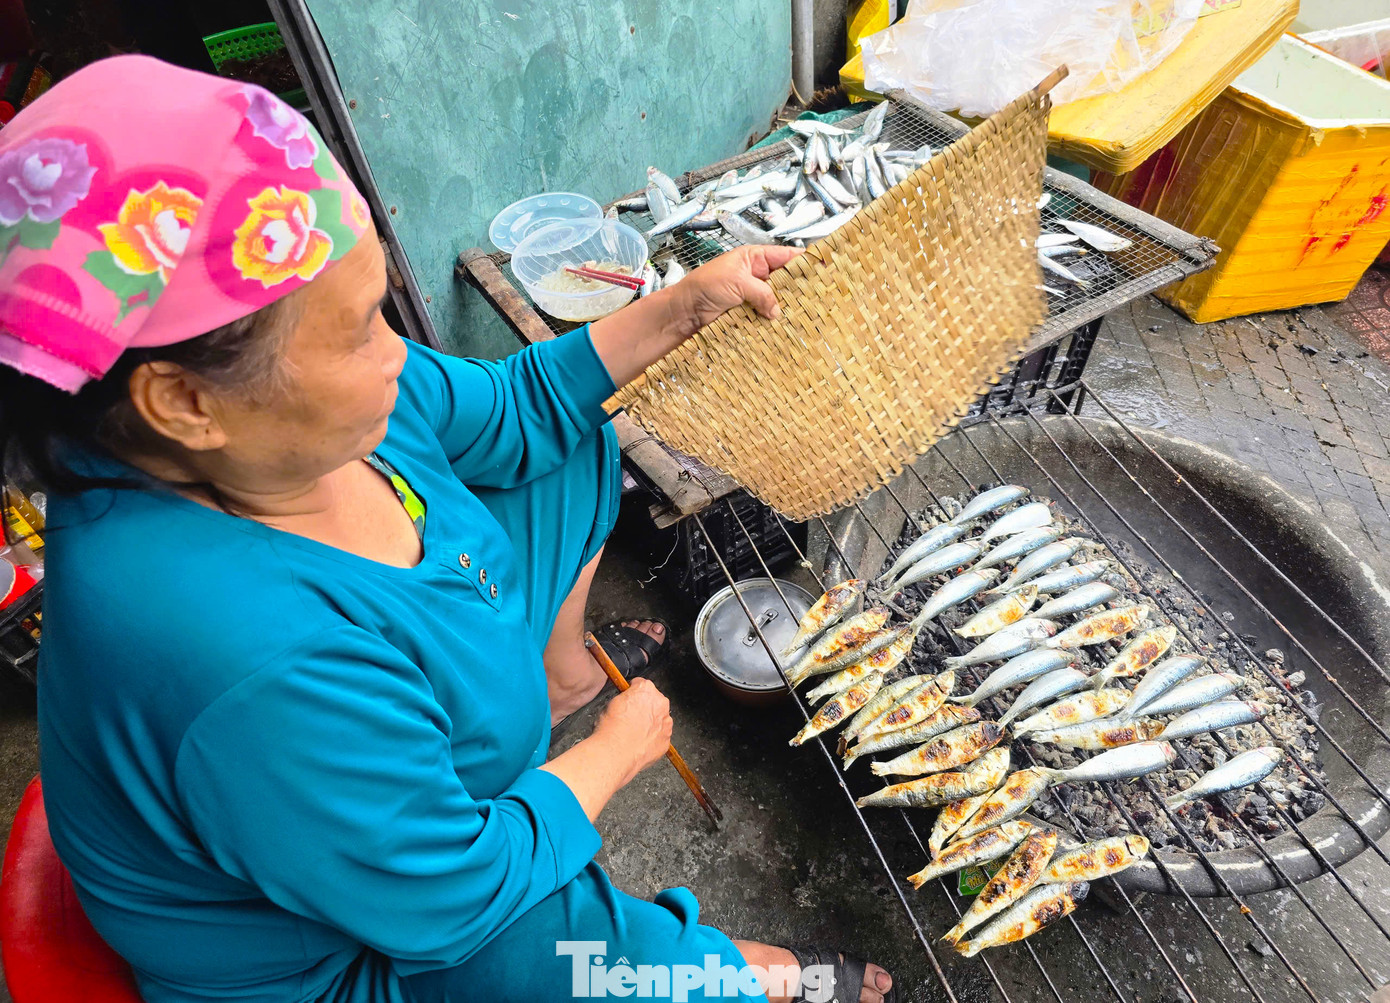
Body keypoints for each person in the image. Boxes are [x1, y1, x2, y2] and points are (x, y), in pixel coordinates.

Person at [0, 56, 896, 1003]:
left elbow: (515, 406)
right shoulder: (244, 659)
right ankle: (731, 973)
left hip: (361, 790)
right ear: (184, 402)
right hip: (348, 955)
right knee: (562, 940)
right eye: (357, 330)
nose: (398, 352)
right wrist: (611, 752)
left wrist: (681, 308)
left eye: (380, 308)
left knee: (572, 443)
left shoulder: (267, 428)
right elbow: (459, 899)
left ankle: (555, 684)